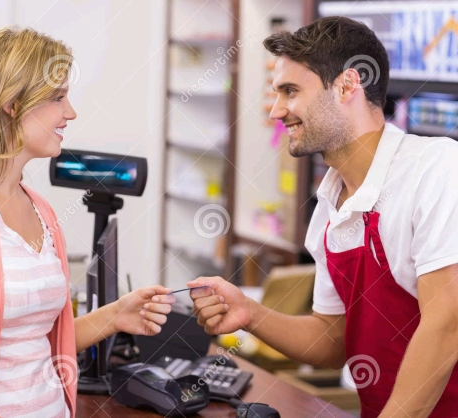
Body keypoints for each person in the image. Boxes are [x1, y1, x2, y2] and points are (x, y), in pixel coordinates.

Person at [0, 27, 176, 417]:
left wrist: (115, 315)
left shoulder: (39, 208)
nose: (70, 112)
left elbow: (32, 340)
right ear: (12, 103)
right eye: (58, 98)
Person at [188, 16, 458, 418]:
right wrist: (250, 313)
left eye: (290, 91)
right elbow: (332, 341)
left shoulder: (436, 169)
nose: (277, 110)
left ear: (348, 85)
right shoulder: (331, 203)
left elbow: (447, 324)